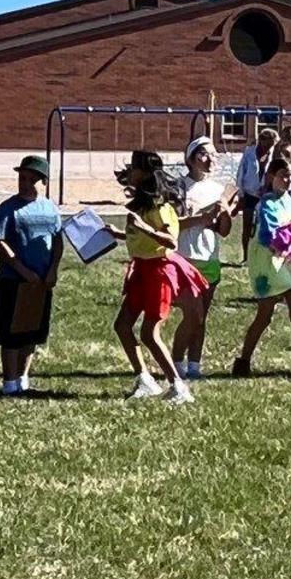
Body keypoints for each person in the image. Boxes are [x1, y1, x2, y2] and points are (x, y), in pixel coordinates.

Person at [107, 151, 208, 404]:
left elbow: (170, 241)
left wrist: (145, 228)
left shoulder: (161, 207)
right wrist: (118, 234)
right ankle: (145, 379)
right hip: (141, 269)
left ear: (145, 174)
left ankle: (179, 387)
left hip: (159, 271)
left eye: (134, 168)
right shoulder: (141, 206)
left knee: (150, 333)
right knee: (122, 325)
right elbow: (141, 239)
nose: (130, 172)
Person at [232, 158, 291, 378]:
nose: (287, 180)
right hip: (271, 266)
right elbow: (271, 239)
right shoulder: (266, 204)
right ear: (271, 177)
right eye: (283, 175)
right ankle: (243, 362)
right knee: (264, 315)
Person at [0, 155, 64, 396]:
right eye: (22, 178)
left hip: (41, 281)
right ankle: (9, 381)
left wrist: (52, 269)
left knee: (32, 331)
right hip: (13, 280)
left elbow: (57, 241)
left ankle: (23, 376)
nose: (25, 183)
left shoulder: (50, 208)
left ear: (43, 182)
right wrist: (21, 269)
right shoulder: (8, 208)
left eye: (32, 179)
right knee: (11, 332)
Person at [172, 137, 233, 380]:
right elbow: (172, 225)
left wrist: (225, 213)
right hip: (185, 257)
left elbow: (224, 231)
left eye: (214, 155)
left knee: (201, 317)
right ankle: (176, 362)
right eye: (204, 155)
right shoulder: (178, 188)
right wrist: (202, 217)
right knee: (192, 315)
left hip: (209, 257)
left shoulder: (219, 190)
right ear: (191, 159)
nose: (211, 160)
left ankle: (194, 365)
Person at [236, 128, 280, 264]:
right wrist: (241, 193)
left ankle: (262, 256)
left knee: (264, 226)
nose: (269, 147)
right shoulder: (249, 153)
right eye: (267, 143)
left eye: (272, 145)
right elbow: (241, 172)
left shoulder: (274, 155)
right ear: (261, 140)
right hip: (249, 194)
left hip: (265, 195)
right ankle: (246, 257)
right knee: (247, 227)